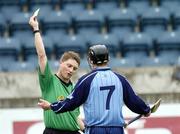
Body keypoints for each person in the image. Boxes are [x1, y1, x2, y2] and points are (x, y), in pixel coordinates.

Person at [38, 44, 151, 134]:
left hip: (95, 129)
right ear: (108, 59)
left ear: (91, 61)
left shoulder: (86, 80)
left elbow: (70, 103)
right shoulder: (120, 79)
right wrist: (145, 110)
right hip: (117, 129)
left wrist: (52, 106)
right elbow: (134, 101)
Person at [29, 13, 84, 134]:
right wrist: (36, 29)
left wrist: (88, 130)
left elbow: (75, 117)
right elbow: (42, 56)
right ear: (61, 62)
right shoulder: (48, 80)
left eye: (74, 68)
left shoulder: (75, 88)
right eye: (69, 66)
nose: (71, 70)